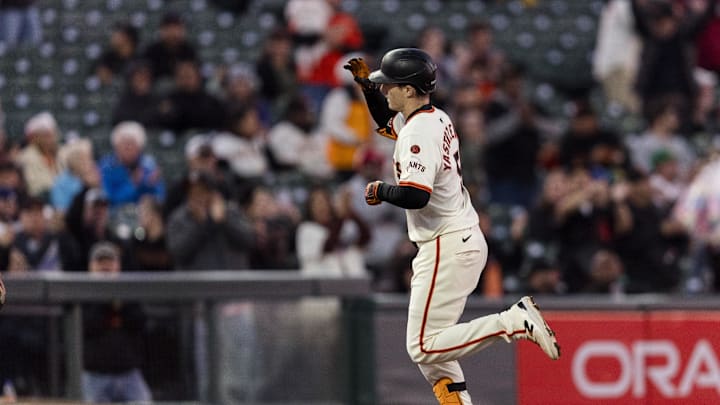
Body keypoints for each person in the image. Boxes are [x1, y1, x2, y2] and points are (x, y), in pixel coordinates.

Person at [344, 48, 559, 404]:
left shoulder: (418, 132)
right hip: (458, 238)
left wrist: (380, 189)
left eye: (389, 85)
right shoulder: (433, 117)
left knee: (423, 345)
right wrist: (368, 88)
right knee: (436, 355)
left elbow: (416, 196)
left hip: (446, 242)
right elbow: (386, 124)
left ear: (409, 90)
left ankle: (512, 321)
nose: (385, 91)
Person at [81, 242, 152, 403]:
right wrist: (106, 302)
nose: (105, 266)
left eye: (110, 261)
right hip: (95, 375)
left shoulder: (128, 291)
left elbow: (140, 323)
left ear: (118, 265)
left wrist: (121, 305)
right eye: (100, 262)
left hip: (128, 373)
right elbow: (88, 326)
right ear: (91, 266)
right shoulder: (81, 293)